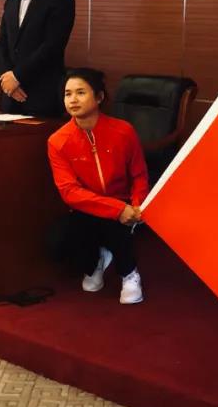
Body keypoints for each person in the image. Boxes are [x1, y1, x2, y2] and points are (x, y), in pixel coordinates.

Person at [46, 68, 148, 305]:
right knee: (57, 241)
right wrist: (115, 209)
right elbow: (69, 192)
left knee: (115, 227)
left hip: (123, 201)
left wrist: (137, 206)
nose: (73, 99)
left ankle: (129, 274)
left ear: (99, 97)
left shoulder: (123, 131)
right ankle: (95, 262)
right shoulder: (57, 141)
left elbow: (139, 174)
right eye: (68, 94)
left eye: (81, 92)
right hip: (86, 205)